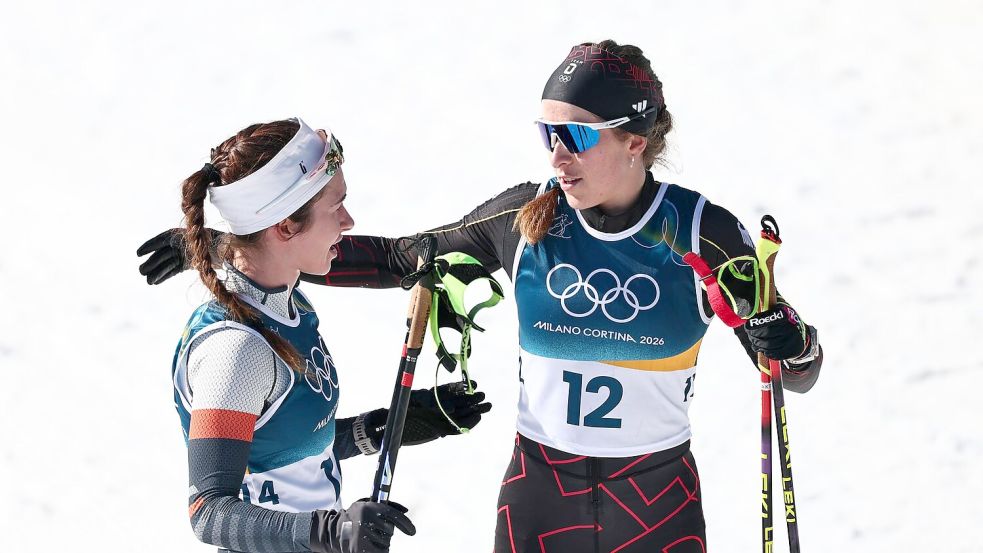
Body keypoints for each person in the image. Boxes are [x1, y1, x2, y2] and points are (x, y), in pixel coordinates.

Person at [139, 42, 823, 553]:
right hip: (540, 495)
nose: (556, 155)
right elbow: (394, 257)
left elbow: (792, 369)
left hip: (654, 501)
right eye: (547, 134)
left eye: (575, 136)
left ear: (633, 141)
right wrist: (225, 242)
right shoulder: (524, 218)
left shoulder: (702, 233)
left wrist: (788, 339)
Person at [146, 117, 491, 553]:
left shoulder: (292, 308)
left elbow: (290, 456)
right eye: (336, 207)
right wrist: (332, 531)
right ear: (285, 226)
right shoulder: (235, 349)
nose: (348, 221)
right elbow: (209, 511)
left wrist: (386, 427)